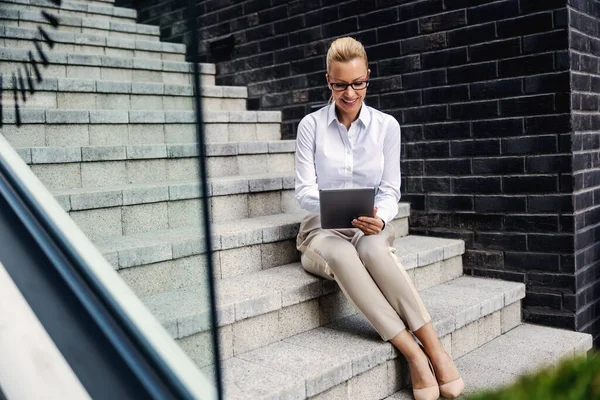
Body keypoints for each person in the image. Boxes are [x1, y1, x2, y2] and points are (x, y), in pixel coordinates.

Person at [294, 37, 464, 400]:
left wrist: (381, 218)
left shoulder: (387, 126)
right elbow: (303, 191)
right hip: (320, 231)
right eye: (340, 84)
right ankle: (414, 354)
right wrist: (336, 205)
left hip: (366, 227)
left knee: (373, 250)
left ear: (368, 76)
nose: (350, 92)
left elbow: (390, 189)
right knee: (342, 255)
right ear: (328, 80)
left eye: (358, 83)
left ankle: (435, 347)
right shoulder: (311, 125)